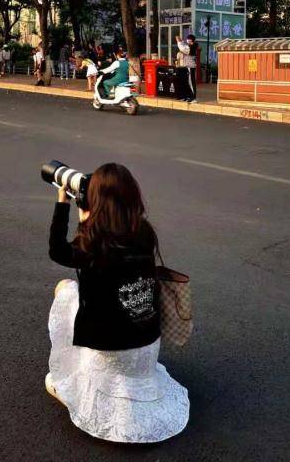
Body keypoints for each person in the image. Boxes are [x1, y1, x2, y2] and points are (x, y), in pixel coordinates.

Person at [46, 163, 189, 443]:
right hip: (147, 345)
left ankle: (89, 388)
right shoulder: (145, 233)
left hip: (113, 350)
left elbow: (57, 250)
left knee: (64, 289)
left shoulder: (91, 243)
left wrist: (63, 203)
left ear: (93, 201)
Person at [176, 34, 198, 103]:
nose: (187, 41)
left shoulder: (193, 46)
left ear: (191, 40)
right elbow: (184, 47)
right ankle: (188, 96)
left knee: (191, 82)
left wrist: (179, 42)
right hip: (187, 66)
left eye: (188, 39)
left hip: (191, 66)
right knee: (187, 82)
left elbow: (183, 48)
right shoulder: (190, 46)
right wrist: (181, 42)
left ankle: (193, 98)